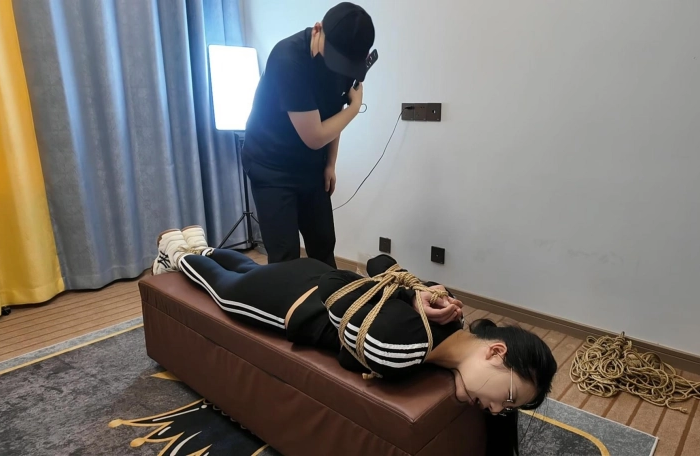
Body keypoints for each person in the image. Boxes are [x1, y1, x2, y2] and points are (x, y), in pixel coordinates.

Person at [153, 226, 557, 455]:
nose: (495, 409)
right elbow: (337, 287)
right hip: (289, 304)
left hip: (305, 274)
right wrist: (410, 293)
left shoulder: (451, 313)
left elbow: (380, 265)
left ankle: (201, 244)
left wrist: (412, 291)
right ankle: (178, 254)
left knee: (246, 267)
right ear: (495, 350)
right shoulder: (402, 350)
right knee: (224, 288)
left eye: (507, 409)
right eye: (507, 397)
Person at [241, 2, 375, 268]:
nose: (336, 67)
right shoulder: (287, 60)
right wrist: (356, 107)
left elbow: (332, 118)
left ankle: (330, 297)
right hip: (271, 167)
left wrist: (330, 164)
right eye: (334, 58)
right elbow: (314, 136)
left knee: (323, 245)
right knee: (285, 258)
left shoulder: (344, 66)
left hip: (311, 164)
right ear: (317, 29)